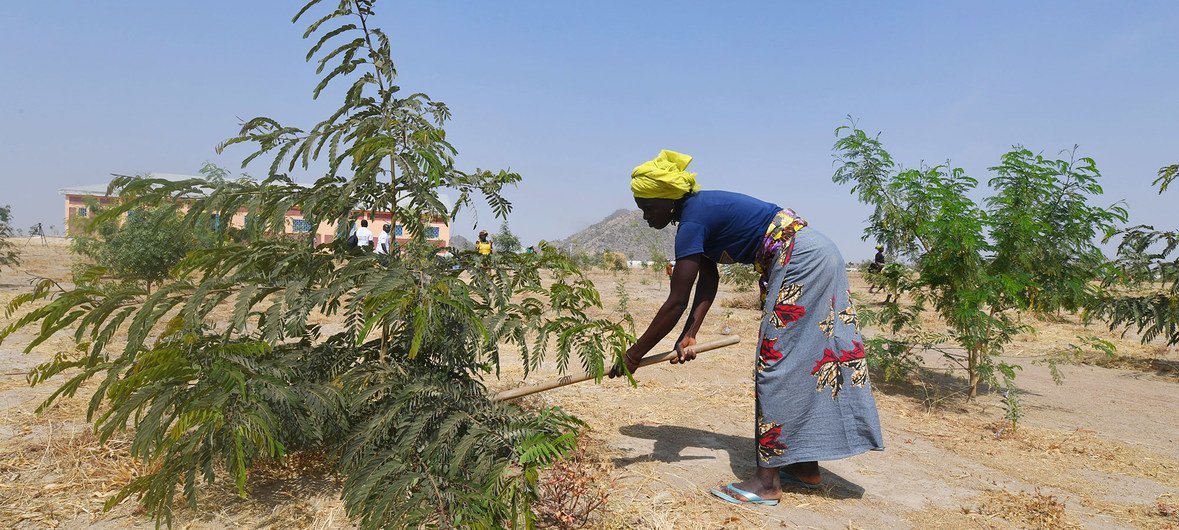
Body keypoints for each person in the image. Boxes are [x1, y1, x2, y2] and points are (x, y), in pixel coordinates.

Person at [607, 150, 883, 506]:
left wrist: (632, 355)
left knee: (776, 364)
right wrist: (691, 333)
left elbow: (676, 300)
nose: (645, 216)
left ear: (665, 199)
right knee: (801, 361)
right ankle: (803, 467)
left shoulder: (693, 219)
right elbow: (708, 281)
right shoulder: (698, 214)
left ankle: (767, 483)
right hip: (814, 253)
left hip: (800, 258)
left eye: (647, 207)